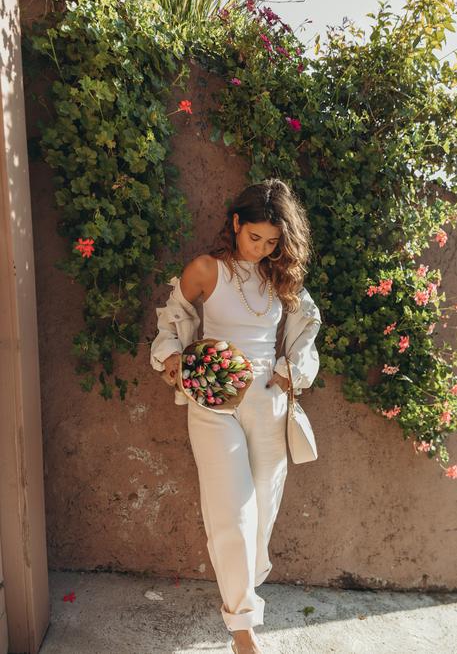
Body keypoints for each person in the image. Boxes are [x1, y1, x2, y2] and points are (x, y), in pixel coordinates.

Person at [150, 178, 322, 654]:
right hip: (213, 396)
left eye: (272, 242)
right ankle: (242, 630)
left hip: (268, 398)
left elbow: (307, 326)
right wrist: (171, 358)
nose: (263, 249)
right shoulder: (206, 270)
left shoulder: (280, 277)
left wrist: (293, 369)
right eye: (255, 238)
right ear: (236, 223)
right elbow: (172, 320)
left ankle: (244, 589)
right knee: (232, 511)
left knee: (263, 511)